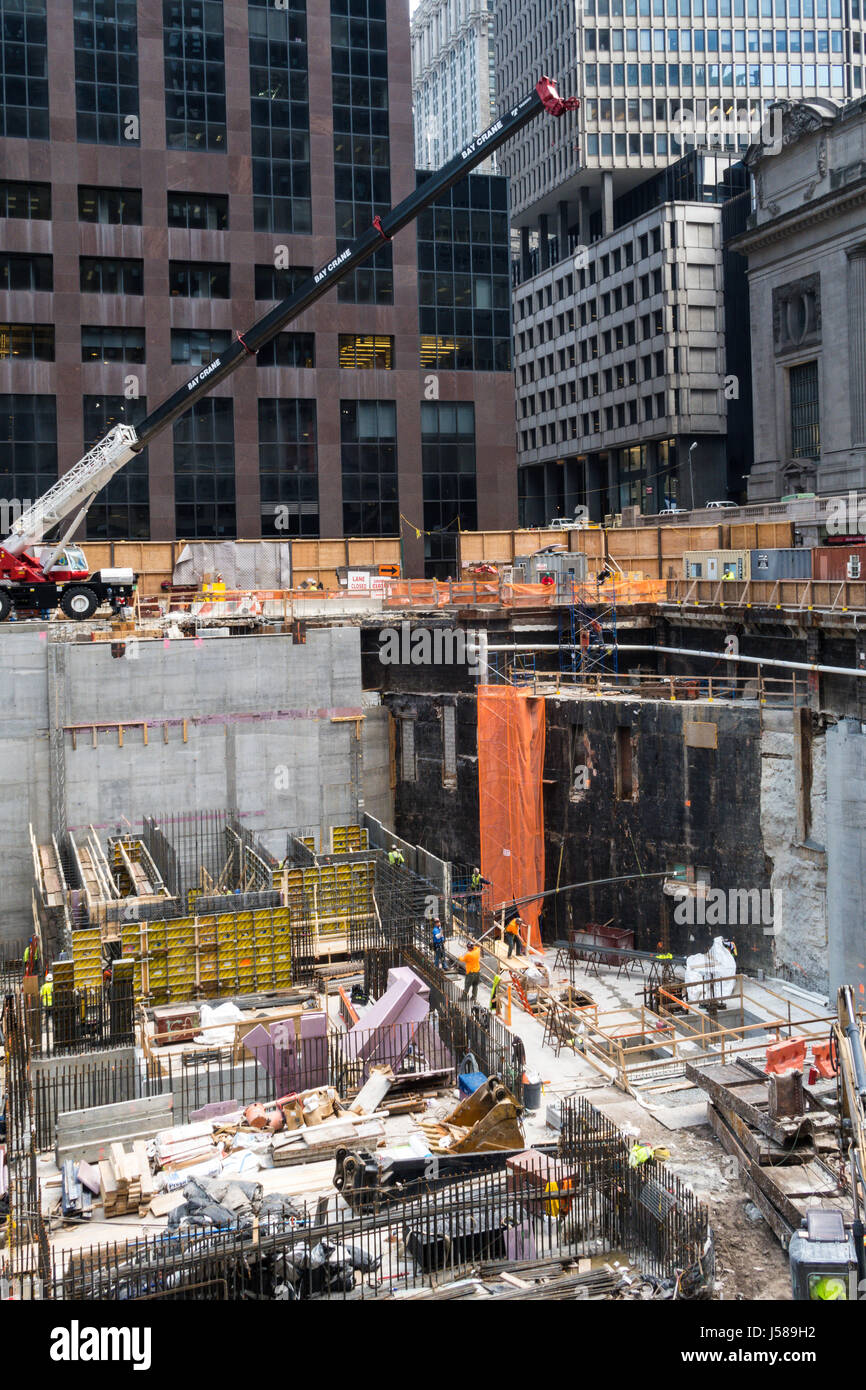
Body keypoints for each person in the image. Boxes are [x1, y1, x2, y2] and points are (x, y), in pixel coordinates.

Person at [461, 939, 481, 1004]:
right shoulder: (477, 951)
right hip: (477, 972)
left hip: (470, 973)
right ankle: (474, 997)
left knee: (467, 986)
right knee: (475, 985)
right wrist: (472, 946)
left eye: (468, 947)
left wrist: (459, 957)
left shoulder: (468, 955)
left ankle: (464, 998)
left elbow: (463, 959)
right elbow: (477, 947)